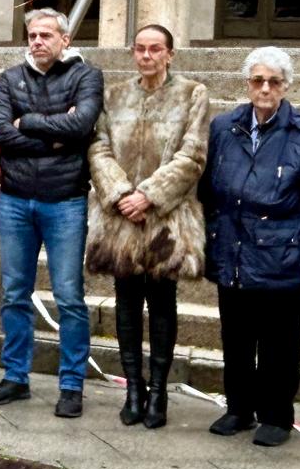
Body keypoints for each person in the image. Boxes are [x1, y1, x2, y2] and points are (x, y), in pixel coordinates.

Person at [202, 46, 300, 446]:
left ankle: (277, 416)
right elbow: (209, 191)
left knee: (280, 343)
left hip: (285, 256)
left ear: (285, 86)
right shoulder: (224, 127)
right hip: (234, 252)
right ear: (247, 84)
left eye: (274, 81)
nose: (265, 88)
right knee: (236, 337)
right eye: (258, 80)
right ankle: (239, 409)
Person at [85, 25, 209, 429]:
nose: (147, 56)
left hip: (165, 220)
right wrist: (121, 192)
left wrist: (150, 196)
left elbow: (193, 155)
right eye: (140, 48)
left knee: (161, 304)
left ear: (170, 54)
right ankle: (132, 390)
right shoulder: (115, 95)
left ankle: (158, 392)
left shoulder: (192, 94)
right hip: (120, 218)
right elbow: (98, 146)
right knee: (125, 304)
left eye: (155, 49)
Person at [0, 7, 104, 418]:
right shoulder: (11, 78)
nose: (37, 42)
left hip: (65, 199)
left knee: (69, 296)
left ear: (65, 40)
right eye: (32, 35)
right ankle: (15, 376)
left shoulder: (86, 76)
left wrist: (28, 122)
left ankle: (71, 385)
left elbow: (83, 126)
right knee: (14, 293)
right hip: (15, 198)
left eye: (46, 35)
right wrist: (54, 135)